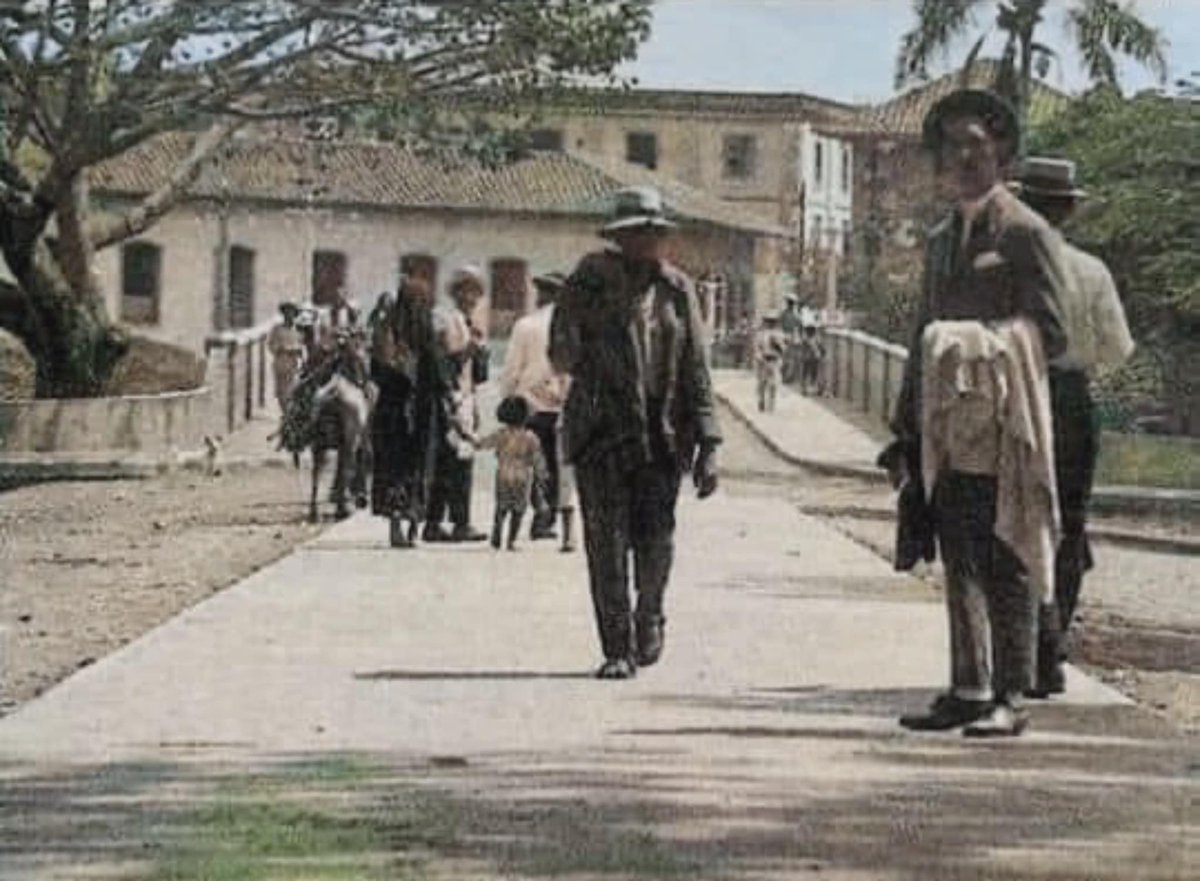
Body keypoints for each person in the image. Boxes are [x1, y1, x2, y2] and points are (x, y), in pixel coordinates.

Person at [888, 89, 1068, 737]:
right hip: (947, 422)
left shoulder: (1024, 232)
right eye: (952, 146)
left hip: (1004, 418)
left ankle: (1011, 694)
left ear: (1000, 151)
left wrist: (985, 342)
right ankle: (969, 685)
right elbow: (921, 331)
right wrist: (905, 422)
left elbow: (1054, 332)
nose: (963, 157)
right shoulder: (941, 239)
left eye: (975, 144)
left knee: (1007, 552)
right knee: (957, 548)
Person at [550, 186, 721, 680]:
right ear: (620, 238)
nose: (646, 243)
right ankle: (617, 647)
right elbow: (562, 350)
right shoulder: (589, 281)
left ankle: (650, 612)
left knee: (656, 540)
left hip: (662, 433)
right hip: (602, 433)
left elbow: (697, 368)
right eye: (636, 234)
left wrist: (708, 443)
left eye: (653, 234)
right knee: (606, 543)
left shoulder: (677, 290)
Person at [1014, 157, 1135, 697]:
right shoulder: (1091, 271)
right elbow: (1115, 349)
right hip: (1068, 399)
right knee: (1069, 522)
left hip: (1012, 394)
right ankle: (1050, 644)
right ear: (1067, 210)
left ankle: (1020, 646)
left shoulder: (999, 266)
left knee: (1013, 519)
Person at [368, 278, 441, 547]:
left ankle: (396, 524)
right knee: (417, 465)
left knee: (392, 467)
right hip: (420, 410)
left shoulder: (386, 331)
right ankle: (412, 523)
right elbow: (437, 373)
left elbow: (375, 372)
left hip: (390, 410)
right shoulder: (425, 332)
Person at [500, 271, 571, 540]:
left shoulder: (526, 325)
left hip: (528, 405)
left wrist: (507, 399)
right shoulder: (570, 327)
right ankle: (548, 517)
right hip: (559, 404)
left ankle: (536, 509)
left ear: (541, 295)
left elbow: (511, 369)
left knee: (529, 462)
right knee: (554, 463)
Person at [424, 265, 490, 543]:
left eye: (475, 292)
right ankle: (439, 521)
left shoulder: (470, 324)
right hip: (450, 399)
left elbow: (477, 375)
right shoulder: (445, 321)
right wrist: (468, 352)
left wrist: (479, 354)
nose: (472, 298)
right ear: (457, 293)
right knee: (448, 462)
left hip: (466, 397)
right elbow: (442, 364)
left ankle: (458, 521)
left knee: (462, 460)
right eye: (467, 291)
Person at [476, 396, 549, 551]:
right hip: (523, 475)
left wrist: (470, 439)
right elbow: (537, 459)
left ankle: (496, 535)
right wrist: (542, 475)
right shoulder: (530, 437)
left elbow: (482, 443)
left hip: (503, 472)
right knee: (518, 509)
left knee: (501, 507)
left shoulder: (501, 434)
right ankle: (511, 540)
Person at [267, 301, 306, 416]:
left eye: (292, 313)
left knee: (293, 392)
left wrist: (300, 355)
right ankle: (286, 414)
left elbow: (302, 347)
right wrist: (283, 349)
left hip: (294, 365)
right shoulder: (277, 329)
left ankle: (290, 416)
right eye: (287, 313)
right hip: (281, 364)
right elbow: (271, 346)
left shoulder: (298, 330)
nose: (289, 316)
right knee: (282, 393)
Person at [752, 312, 786, 412]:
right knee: (762, 383)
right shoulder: (761, 334)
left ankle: (771, 403)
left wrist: (778, 345)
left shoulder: (779, 334)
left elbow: (783, 349)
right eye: (769, 321)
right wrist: (759, 357)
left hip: (774, 360)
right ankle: (761, 400)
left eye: (773, 321)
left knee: (773, 383)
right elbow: (756, 347)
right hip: (763, 360)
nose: (771, 323)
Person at [798, 323, 825, 396]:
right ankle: (811, 388)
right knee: (813, 374)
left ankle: (808, 389)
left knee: (808, 374)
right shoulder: (815, 338)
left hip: (810, 358)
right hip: (813, 358)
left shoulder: (806, 338)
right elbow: (821, 348)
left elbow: (802, 348)